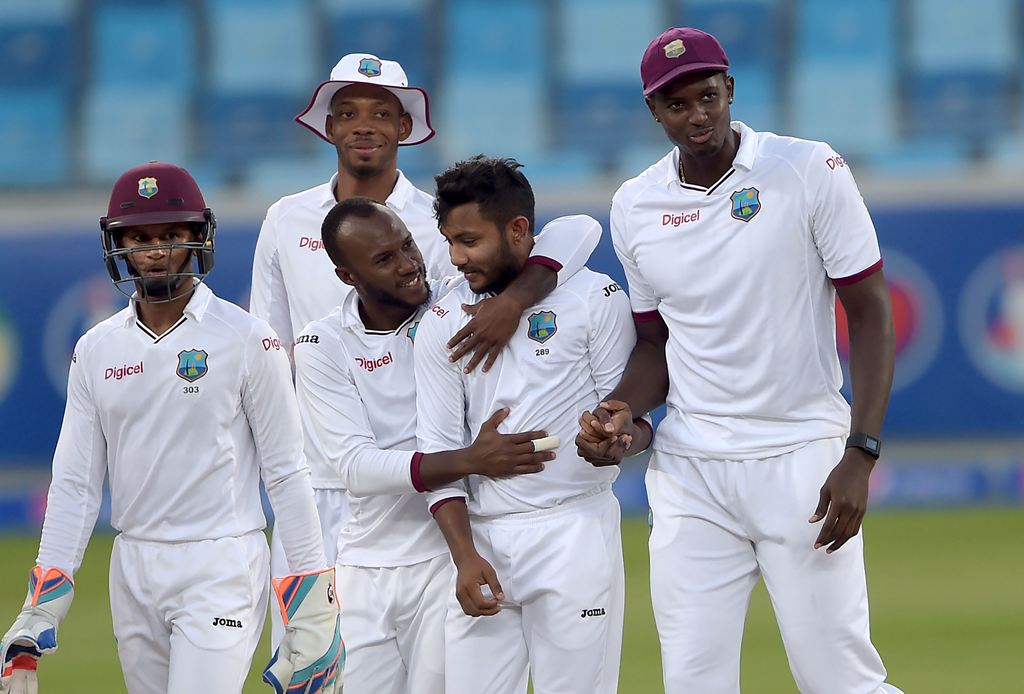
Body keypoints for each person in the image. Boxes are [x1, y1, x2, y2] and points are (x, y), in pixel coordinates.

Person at [576, 27, 902, 694]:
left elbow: (870, 312)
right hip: (692, 471)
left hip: (802, 460)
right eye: (677, 104)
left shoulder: (809, 169)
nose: (697, 115)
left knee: (839, 681)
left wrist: (860, 452)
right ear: (653, 111)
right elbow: (655, 344)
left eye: (708, 96)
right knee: (695, 681)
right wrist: (621, 410)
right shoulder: (635, 205)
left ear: (729, 89)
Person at [0, 163, 341, 694]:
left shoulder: (248, 339)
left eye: (170, 235)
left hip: (221, 562)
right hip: (132, 561)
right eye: (139, 237)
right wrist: (40, 606)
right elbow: (76, 482)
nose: (155, 249)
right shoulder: (96, 348)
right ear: (117, 243)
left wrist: (314, 602)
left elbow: (287, 473)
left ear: (197, 237)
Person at [252, 54, 535, 644]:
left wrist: (514, 300)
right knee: (308, 655)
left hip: (423, 476)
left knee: (425, 663)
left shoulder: (437, 218)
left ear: (405, 128)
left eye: (383, 113)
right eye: (348, 112)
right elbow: (267, 351)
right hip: (317, 477)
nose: (364, 125)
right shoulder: (285, 219)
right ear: (327, 126)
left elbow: (537, 252)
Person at [293, 196, 601, 693]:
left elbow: (580, 228)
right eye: (384, 259)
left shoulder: (451, 302)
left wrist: (512, 301)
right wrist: (472, 459)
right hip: (363, 564)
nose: (409, 264)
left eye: (408, 245)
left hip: (448, 555)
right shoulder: (323, 343)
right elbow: (354, 467)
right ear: (348, 277)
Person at [415, 156, 639, 694]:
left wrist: (616, 440)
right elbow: (438, 448)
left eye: (469, 240)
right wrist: (465, 559)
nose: (456, 257)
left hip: (574, 532)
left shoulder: (594, 298)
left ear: (517, 230)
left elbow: (636, 417)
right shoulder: (443, 322)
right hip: (484, 543)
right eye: (449, 241)